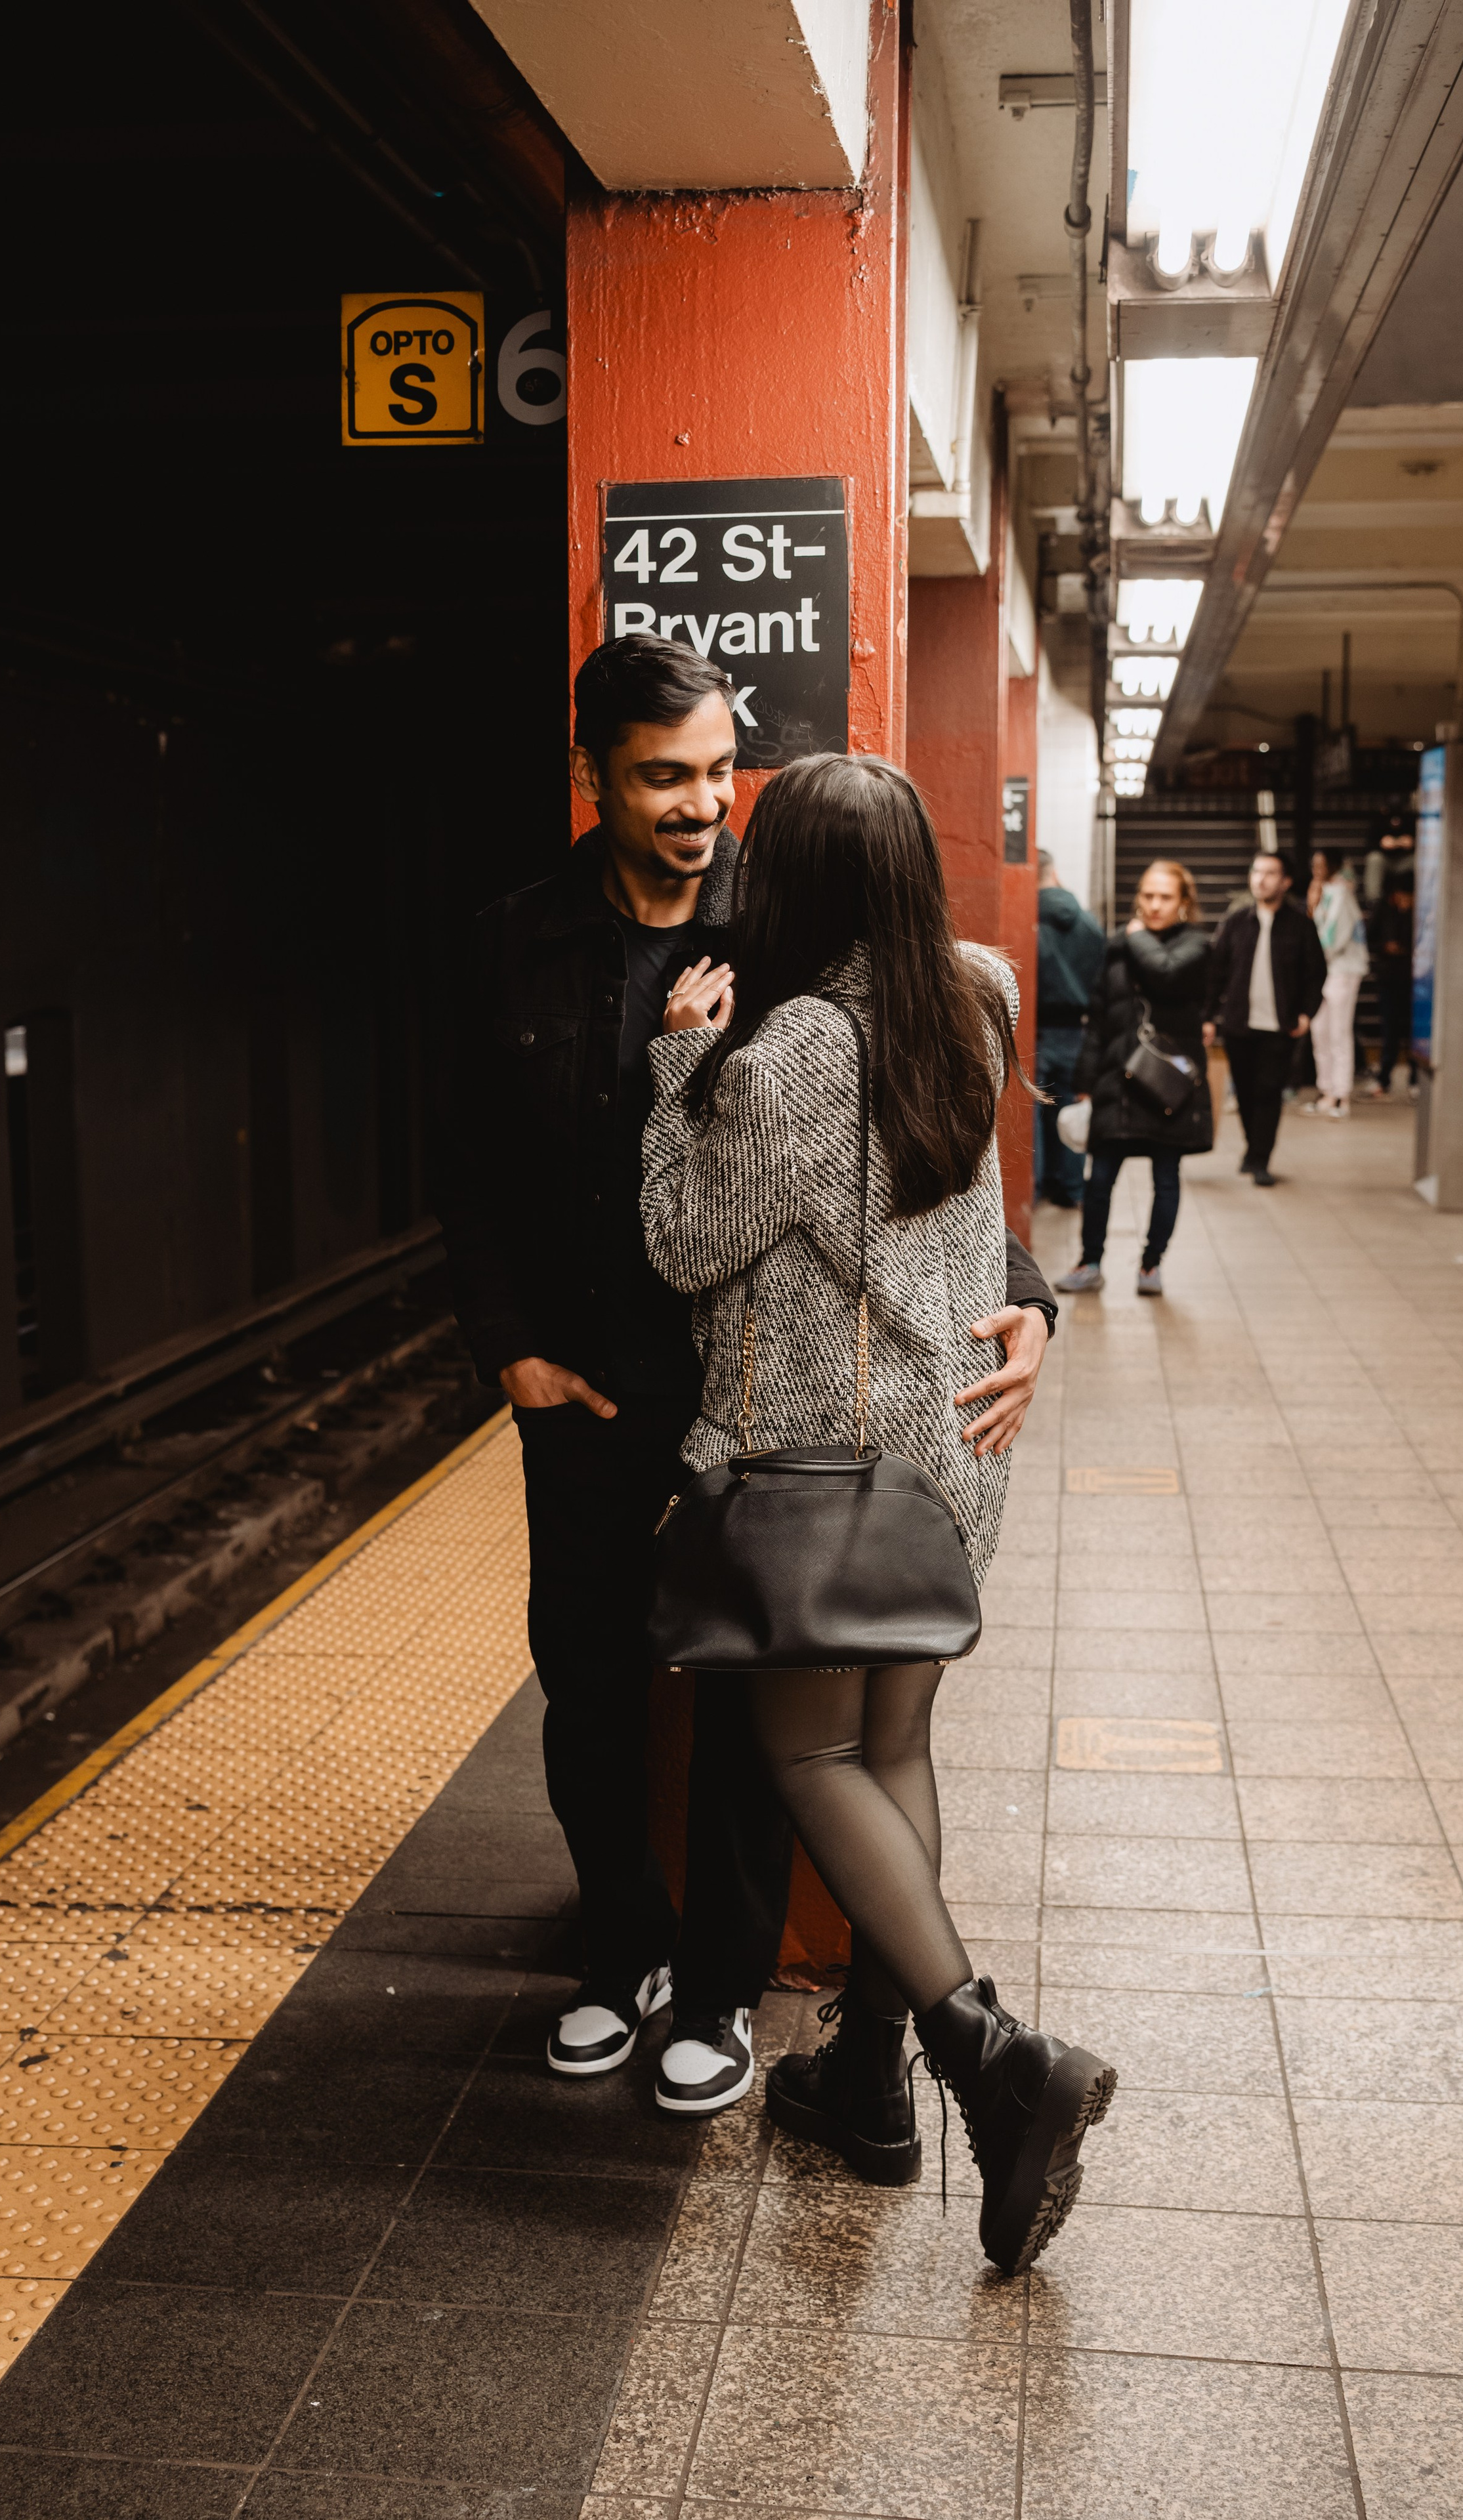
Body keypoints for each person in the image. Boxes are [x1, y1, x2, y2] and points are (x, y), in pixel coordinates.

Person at [436, 635, 1058, 2120]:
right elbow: (465, 1162)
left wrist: (1030, 1302)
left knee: (767, 1735)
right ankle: (725, 2006)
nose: (703, 802)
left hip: (769, 1433)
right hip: (651, 1413)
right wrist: (504, 1342)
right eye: (665, 774)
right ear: (592, 775)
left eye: (722, 773)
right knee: (615, 1695)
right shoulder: (514, 943)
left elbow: (829, 1195)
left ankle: (816, 2012)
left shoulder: (782, 988)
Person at [639, 751, 1113, 2277]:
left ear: (786, 885)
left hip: (819, 1467)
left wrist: (673, 1066)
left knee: (805, 1752)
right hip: (946, 1454)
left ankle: (988, 2055)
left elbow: (684, 1241)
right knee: (892, 1744)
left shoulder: (782, 1053)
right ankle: (867, 2082)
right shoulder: (973, 991)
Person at [1053, 858, 1212, 1298]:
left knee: (1166, 1176)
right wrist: (1084, 1080)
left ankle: (1150, 1265)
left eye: (1165, 897)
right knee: (1100, 1177)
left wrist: (1136, 935)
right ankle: (1090, 1263)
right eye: (1147, 896)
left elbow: (1165, 971)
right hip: (1117, 1080)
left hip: (1167, 1084)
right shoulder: (1118, 948)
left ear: (1184, 903)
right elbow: (1099, 1018)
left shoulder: (1196, 946)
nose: (1154, 905)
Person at [1201, 850, 1327, 1184]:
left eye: (1270, 873)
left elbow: (1316, 973)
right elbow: (1216, 973)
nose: (1261, 879)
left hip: (1280, 1025)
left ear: (1285, 882)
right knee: (1244, 1091)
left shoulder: (1301, 925)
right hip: (1240, 1023)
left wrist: (1306, 1013)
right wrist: (1210, 1016)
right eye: (1256, 871)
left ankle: (1261, 1160)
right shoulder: (1236, 922)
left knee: (1269, 1091)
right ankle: (1252, 1148)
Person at [1034, 849, 1106, 1210]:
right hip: (1077, 1032)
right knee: (1069, 1110)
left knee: (1030, 1116)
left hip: (1032, 1031)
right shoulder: (1089, 923)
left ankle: (1033, 1191)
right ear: (1054, 872)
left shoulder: (1024, 920)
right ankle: (1073, 1188)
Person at [1303, 849, 1369, 1118]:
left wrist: (1313, 958)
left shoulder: (1342, 893)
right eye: (1314, 864)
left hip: (1342, 970)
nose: (1317, 869)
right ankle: (1327, 1091)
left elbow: (1333, 937)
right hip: (1323, 971)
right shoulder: (1323, 891)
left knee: (1339, 1032)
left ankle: (1342, 1095)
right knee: (1320, 1032)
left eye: (1322, 864)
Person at [1365, 849, 1416, 1095]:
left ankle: (1416, 1078)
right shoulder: (1383, 911)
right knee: (1390, 1029)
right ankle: (1384, 1078)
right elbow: (1369, 939)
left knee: (1414, 1030)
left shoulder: (1421, 914)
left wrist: (1406, 948)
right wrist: (1385, 948)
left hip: (1414, 979)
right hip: (1388, 977)